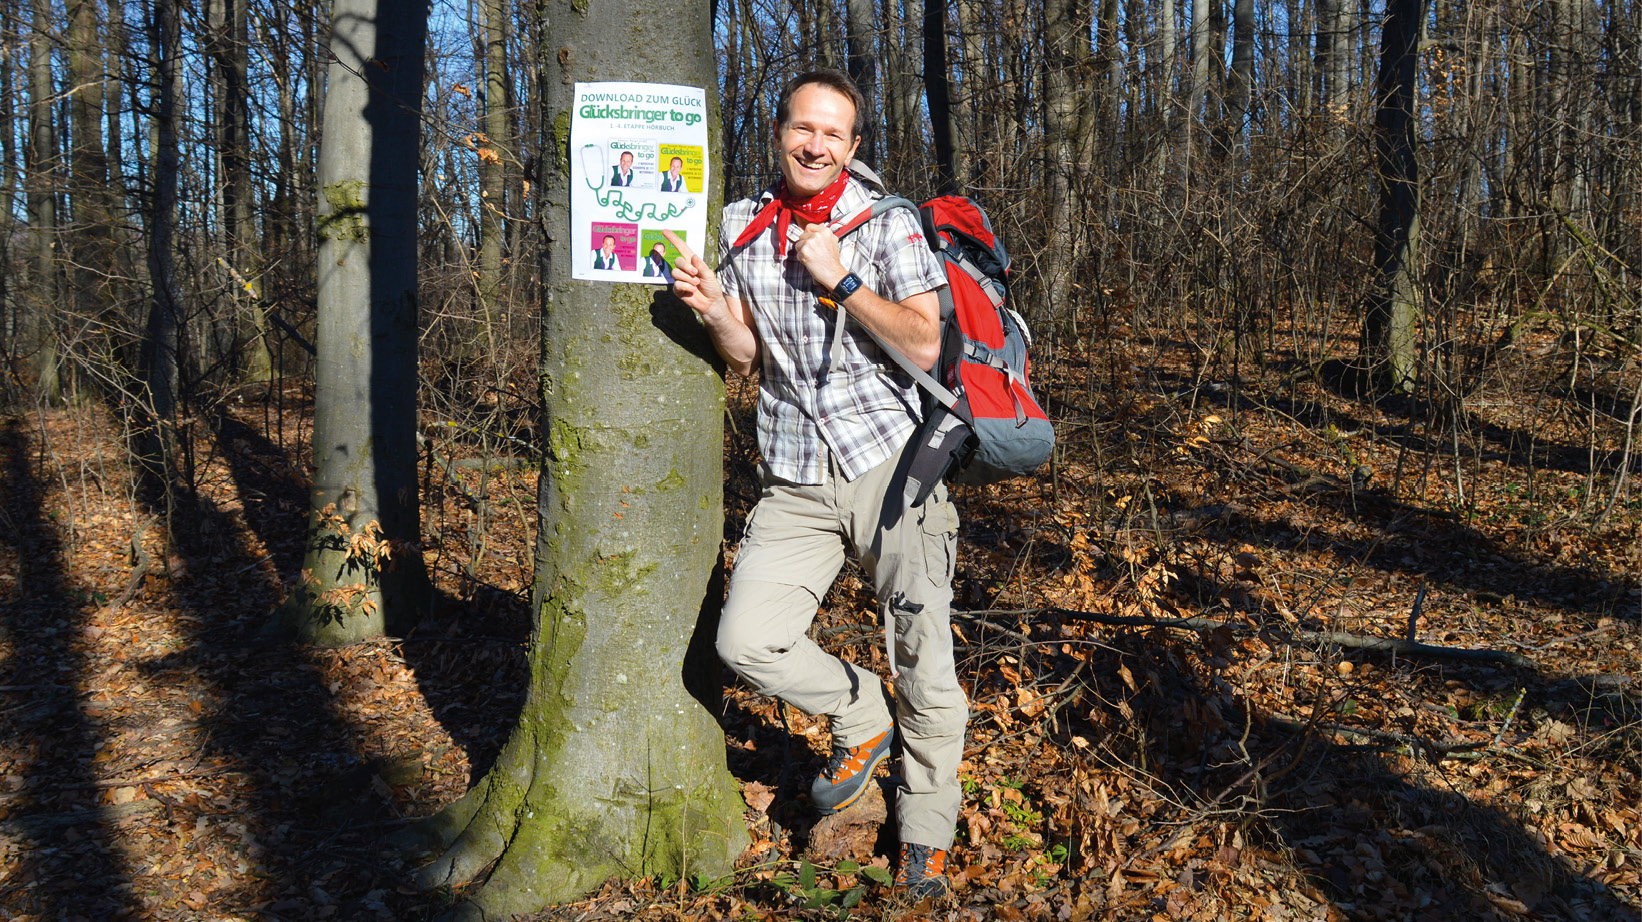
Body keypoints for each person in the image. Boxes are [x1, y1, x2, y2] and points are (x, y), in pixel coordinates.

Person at [665, 69, 962, 902]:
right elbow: (749, 356)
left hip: (893, 465)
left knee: (926, 663)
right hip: (793, 471)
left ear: (854, 146)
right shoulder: (738, 226)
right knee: (744, 639)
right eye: (805, 128)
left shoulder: (886, 222)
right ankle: (861, 711)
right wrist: (716, 309)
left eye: (835, 134)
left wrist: (842, 279)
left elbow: (926, 341)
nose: (817, 145)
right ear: (780, 132)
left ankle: (927, 835)